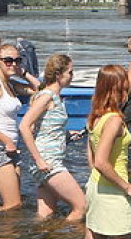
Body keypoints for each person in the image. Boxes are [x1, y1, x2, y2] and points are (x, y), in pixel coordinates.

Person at [70, 65, 131, 239]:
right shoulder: (114, 120)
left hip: (95, 187)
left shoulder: (95, 118)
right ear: (115, 90)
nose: (126, 93)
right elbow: (101, 162)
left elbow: (92, 161)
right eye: (124, 88)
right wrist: (127, 186)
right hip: (113, 193)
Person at [19, 54, 86, 221]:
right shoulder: (46, 96)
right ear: (58, 74)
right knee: (81, 207)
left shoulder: (53, 97)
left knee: (45, 216)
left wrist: (67, 135)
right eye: (70, 72)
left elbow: (46, 128)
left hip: (46, 163)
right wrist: (39, 160)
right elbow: (24, 126)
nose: (72, 76)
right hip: (48, 163)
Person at [0, 43, 40, 210]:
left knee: (16, 204)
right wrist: (6, 141)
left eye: (17, 60)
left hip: (11, 149)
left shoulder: (10, 83)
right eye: (8, 61)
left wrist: (23, 73)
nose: (13, 64)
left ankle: (8, 233)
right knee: (13, 205)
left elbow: (39, 89)